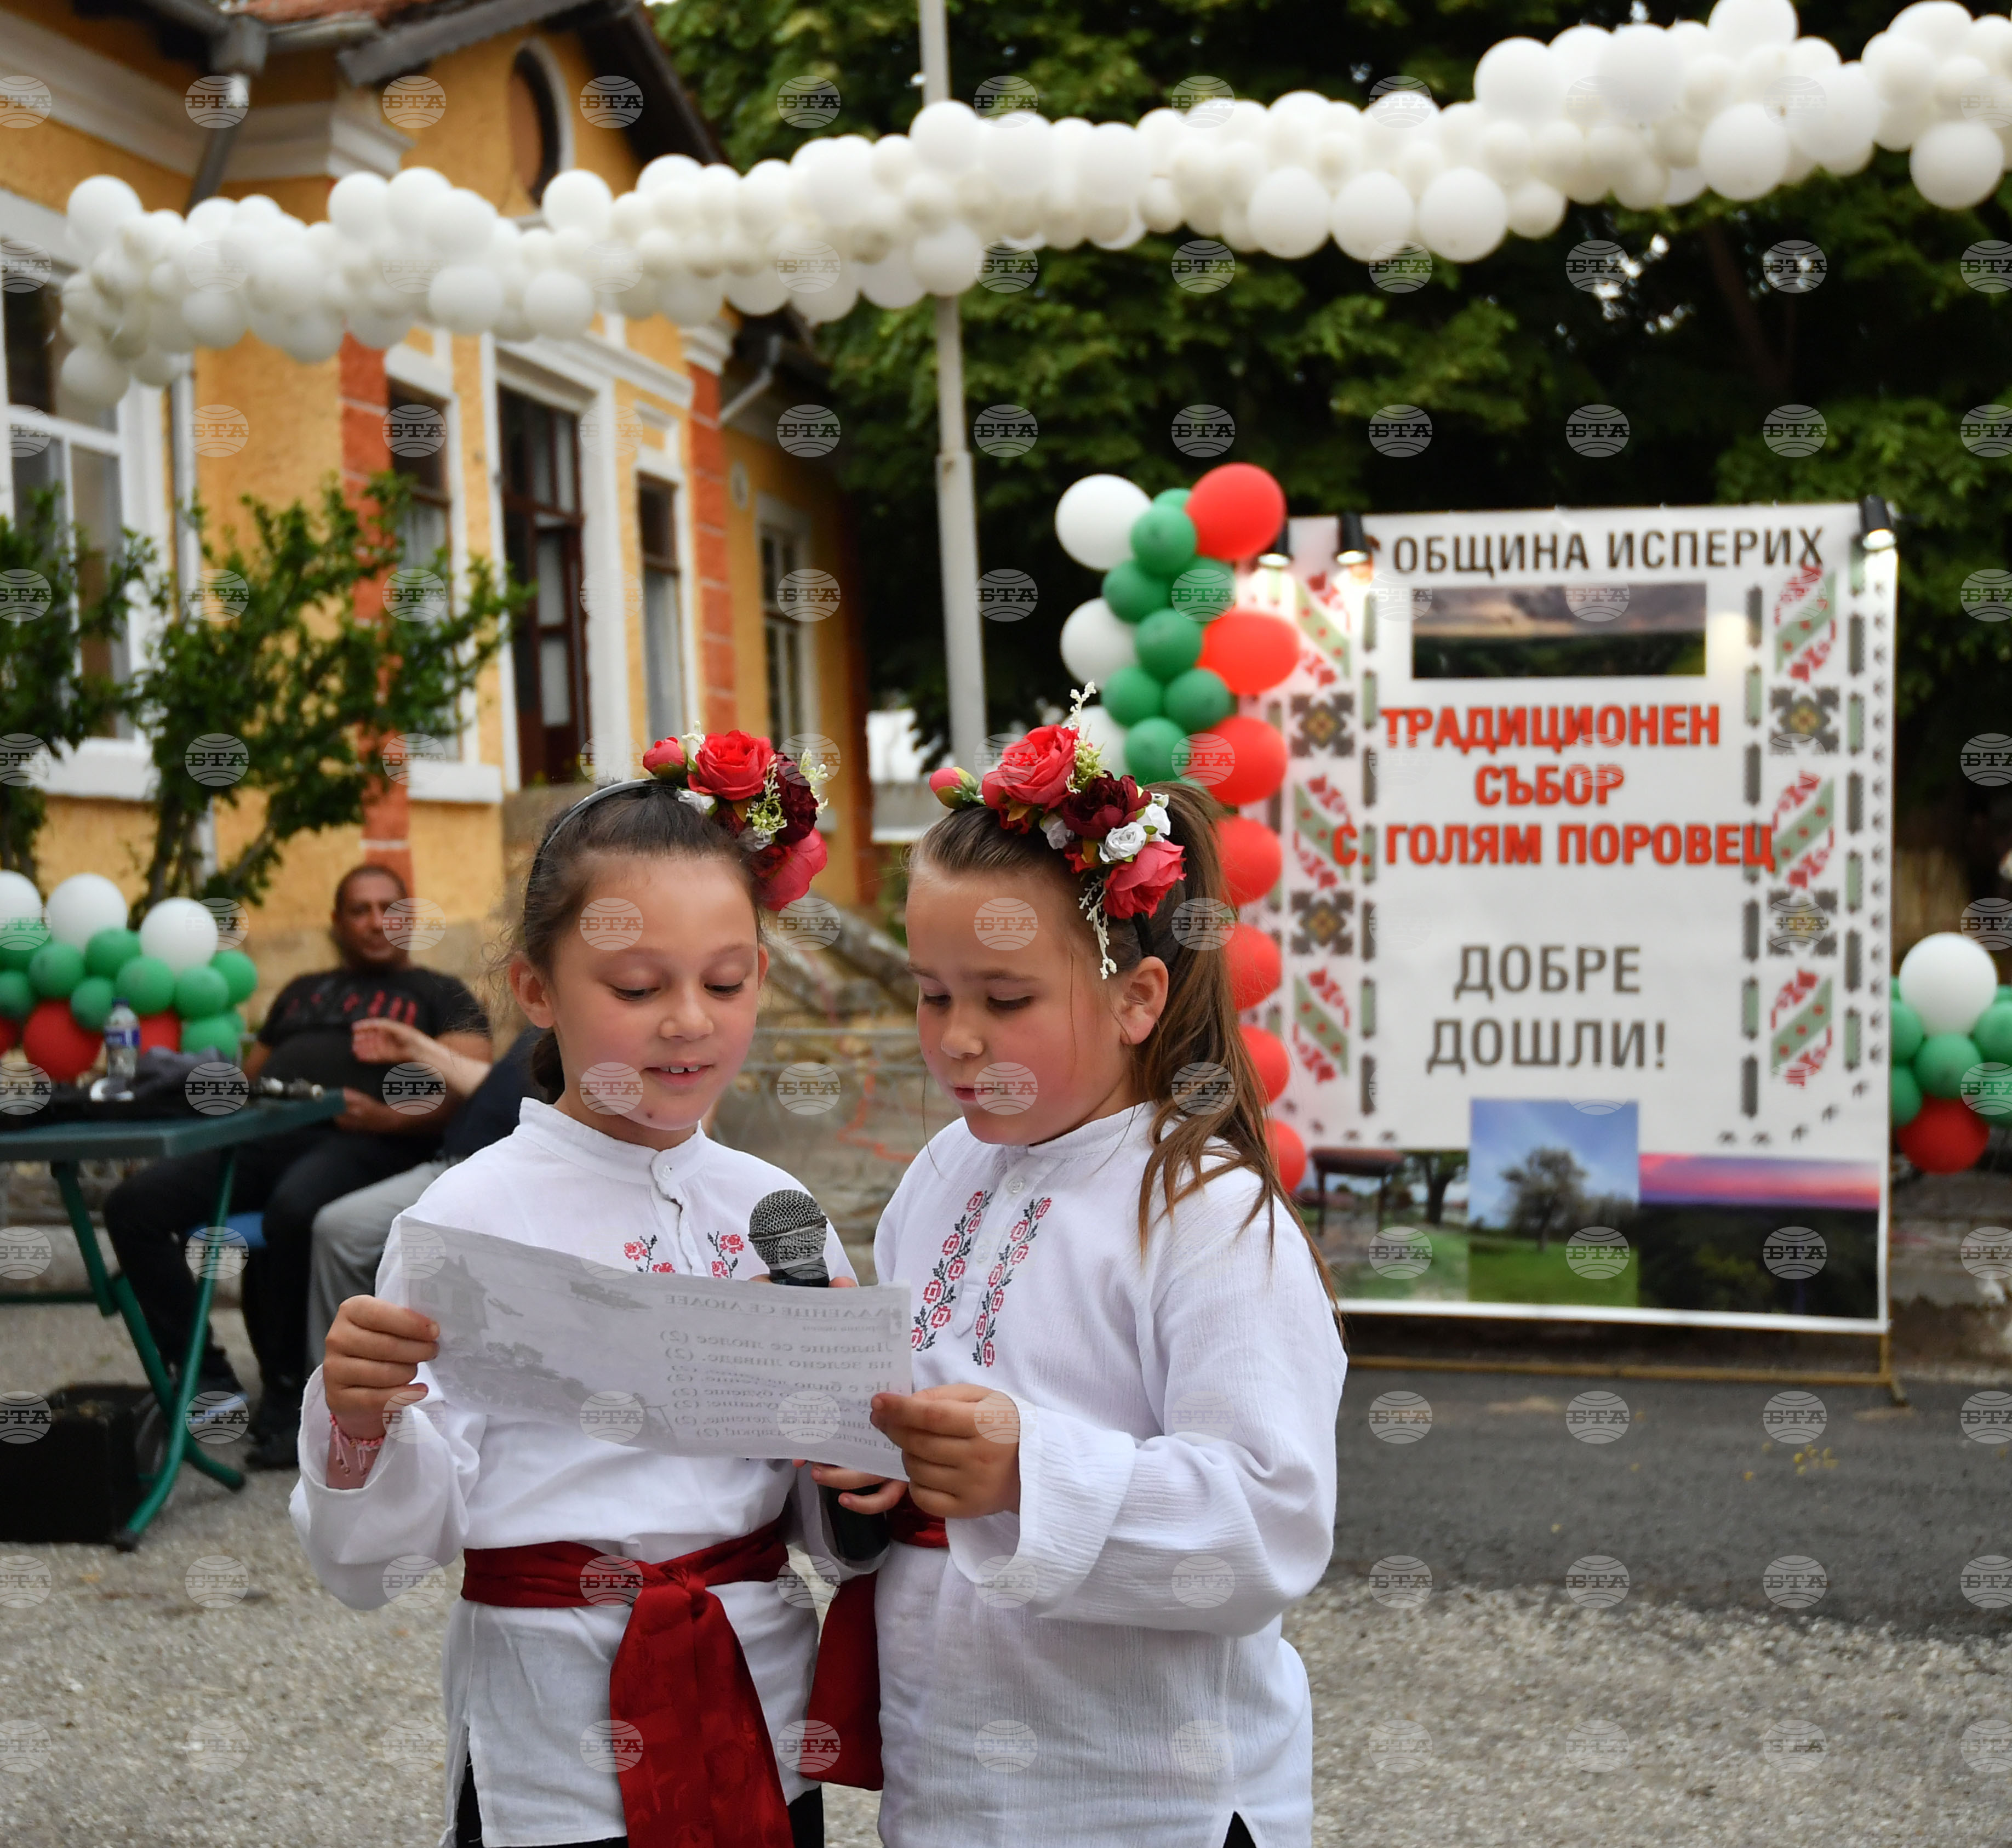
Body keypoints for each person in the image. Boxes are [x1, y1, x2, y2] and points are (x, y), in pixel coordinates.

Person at [291, 732, 847, 1848]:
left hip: (758, 1710)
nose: (689, 1020)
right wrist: (355, 1421)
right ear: (537, 988)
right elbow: (376, 1561)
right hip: (550, 1733)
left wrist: (859, 1473)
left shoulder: (777, 1212)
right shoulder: (463, 1222)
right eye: (638, 986)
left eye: (725, 981)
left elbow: (831, 1530)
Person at [806, 718, 1346, 1848]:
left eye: (1005, 1002)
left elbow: (1271, 1526)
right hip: (950, 1779)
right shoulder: (945, 1171)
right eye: (931, 994)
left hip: (1148, 1800)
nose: (955, 1040)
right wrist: (862, 1464)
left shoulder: (1206, 1213)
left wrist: (1028, 1472)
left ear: (1136, 999)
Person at [102, 863, 490, 1469]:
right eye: (358, 909)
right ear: (337, 922)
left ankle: (289, 1398)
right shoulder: (302, 990)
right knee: (132, 1208)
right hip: (267, 1136)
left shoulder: (444, 995)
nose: (373, 921)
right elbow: (250, 1078)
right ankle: (206, 1371)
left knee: (295, 1208)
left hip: (374, 1144)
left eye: (387, 907)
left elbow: (473, 1093)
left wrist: (389, 1118)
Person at [306, 1016, 540, 1360]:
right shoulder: (545, 1025)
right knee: (340, 1227)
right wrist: (418, 1048)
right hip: (458, 1160)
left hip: (509, 1173)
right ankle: (337, 1385)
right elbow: (505, 1091)